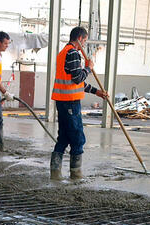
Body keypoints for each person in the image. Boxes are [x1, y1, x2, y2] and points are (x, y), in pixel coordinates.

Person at [50, 27, 108, 180]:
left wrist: (97, 92)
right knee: (77, 137)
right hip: (70, 102)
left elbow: (75, 82)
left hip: (63, 101)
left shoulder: (64, 52)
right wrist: (88, 68)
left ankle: (55, 173)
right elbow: (78, 78)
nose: (85, 42)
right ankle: (76, 174)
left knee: (63, 136)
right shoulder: (73, 53)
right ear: (80, 38)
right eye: (85, 40)